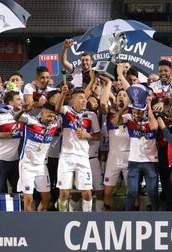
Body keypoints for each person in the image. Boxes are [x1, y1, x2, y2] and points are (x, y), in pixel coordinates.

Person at [112, 84, 159, 211]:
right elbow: (115, 121)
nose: (135, 113)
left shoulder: (152, 119)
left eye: (138, 111)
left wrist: (148, 106)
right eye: (134, 111)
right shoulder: (129, 118)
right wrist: (126, 107)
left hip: (151, 161)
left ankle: (156, 217)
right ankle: (128, 217)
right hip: (134, 162)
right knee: (131, 193)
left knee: (153, 193)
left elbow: (154, 127)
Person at [55, 87, 101, 212]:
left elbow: (98, 135)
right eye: (81, 98)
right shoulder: (66, 110)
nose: (84, 100)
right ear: (73, 100)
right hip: (66, 157)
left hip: (83, 157)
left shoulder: (91, 115)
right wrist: (63, 94)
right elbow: (57, 109)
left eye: (85, 98)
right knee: (64, 192)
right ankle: (62, 217)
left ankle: (87, 217)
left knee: (86, 192)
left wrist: (88, 135)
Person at [15, 102, 59, 211]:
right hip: (27, 165)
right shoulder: (31, 121)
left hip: (41, 166)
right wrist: (22, 111)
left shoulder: (54, 125)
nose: (51, 118)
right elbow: (16, 118)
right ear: (42, 113)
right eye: (49, 115)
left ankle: (39, 222)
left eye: (54, 116)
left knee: (47, 198)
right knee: (28, 199)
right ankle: (27, 225)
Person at [100, 78, 130, 210]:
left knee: (132, 192)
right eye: (119, 95)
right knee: (107, 192)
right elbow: (102, 102)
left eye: (124, 95)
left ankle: (133, 218)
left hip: (130, 156)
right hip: (113, 156)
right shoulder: (111, 112)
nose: (121, 97)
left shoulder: (134, 112)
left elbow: (131, 92)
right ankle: (108, 218)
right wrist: (109, 84)